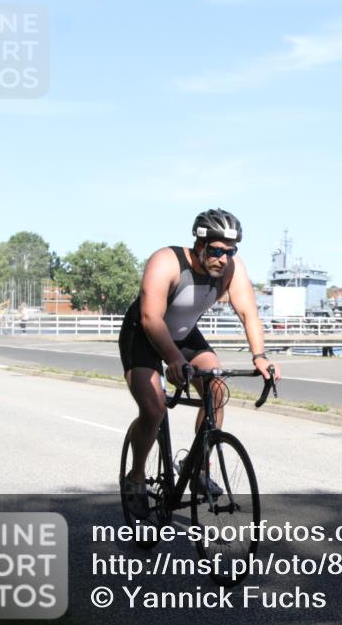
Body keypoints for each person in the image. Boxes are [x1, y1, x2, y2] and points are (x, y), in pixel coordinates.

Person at [119, 208, 280, 518]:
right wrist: (174, 359)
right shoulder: (166, 262)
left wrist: (260, 357)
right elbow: (151, 318)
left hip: (184, 335)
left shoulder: (232, 269)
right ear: (199, 244)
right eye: (217, 250)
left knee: (216, 388)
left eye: (231, 251)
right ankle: (135, 478)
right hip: (144, 334)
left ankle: (199, 469)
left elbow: (249, 313)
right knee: (153, 409)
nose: (224, 258)